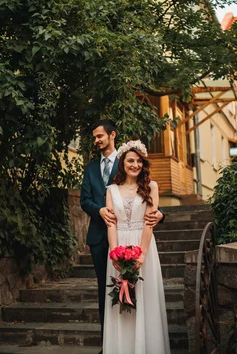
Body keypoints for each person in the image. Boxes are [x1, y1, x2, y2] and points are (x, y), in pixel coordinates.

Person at [80, 120, 164, 352]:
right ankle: (111, 343)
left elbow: (148, 206)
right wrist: (100, 211)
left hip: (137, 236)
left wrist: (160, 214)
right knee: (105, 293)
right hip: (102, 237)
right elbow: (85, 199)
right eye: (94, 137)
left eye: (100, 136)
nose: (96, 140)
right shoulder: (90, 169)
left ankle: (141, 342)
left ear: (112, 135)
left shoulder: (128, 159)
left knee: (140, 292)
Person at [102, 140, 171, 354]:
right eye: (131, 160)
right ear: (123, 163)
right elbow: (111, 223)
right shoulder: (111, 190)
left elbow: (150, 222)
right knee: (120, 300)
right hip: (119, 245)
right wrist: (114, 252)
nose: (135, 164)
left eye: (139, 161)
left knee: (144, 296)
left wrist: (141, 254)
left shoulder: (151, 187)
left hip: (144, 246)